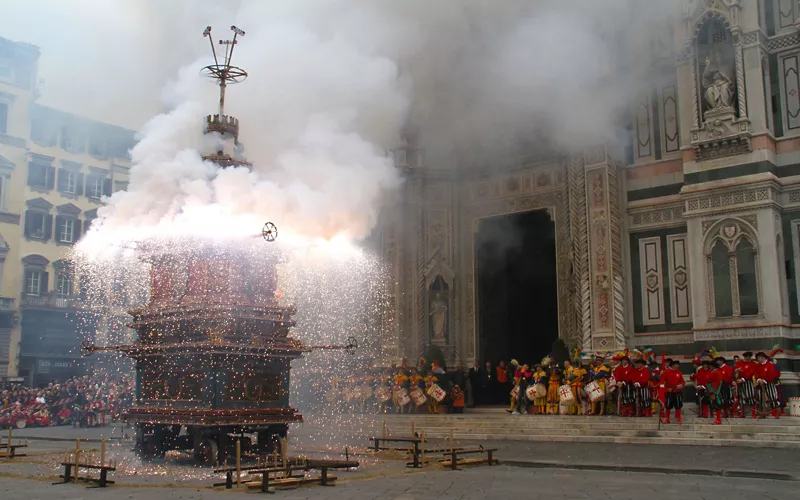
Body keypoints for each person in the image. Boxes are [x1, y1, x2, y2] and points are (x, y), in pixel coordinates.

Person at [754, 351, 781, 419]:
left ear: (763, 357)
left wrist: (765, 380)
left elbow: (772, 374)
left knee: (772, 397)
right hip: (760, 384)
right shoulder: (757, 366)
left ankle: (776, 413)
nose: (758, 359)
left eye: (759, 357)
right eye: (757, 358)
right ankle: (763, 413)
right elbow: (756, 373)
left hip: (769, 383)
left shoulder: (770, 365)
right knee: (761, 399)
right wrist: (758, 380)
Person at [734, 352, 758, 418]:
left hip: (748, 382)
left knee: (751, 397)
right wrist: (737, 371)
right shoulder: (739, 363)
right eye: (746, 357)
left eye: (749, 357)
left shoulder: (753, 364)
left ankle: (753, 413)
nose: (747, 359)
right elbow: (734, 370)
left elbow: (751, 372)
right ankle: (742, 413)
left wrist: (743, 379)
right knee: (741, 398)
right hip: (740, 383)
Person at [661, 360, 685, 424]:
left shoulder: (679, 373)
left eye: (678, 365)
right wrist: (664, 389)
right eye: (676, 364)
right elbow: (662, 382)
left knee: (678, 405)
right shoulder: (666, 372)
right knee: (668, 405)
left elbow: (683, 381)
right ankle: (667, 419)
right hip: (669, 391)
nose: (677, 366)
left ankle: (679, 419)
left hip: (677, 391)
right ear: (672, 365)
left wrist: (681, 385)